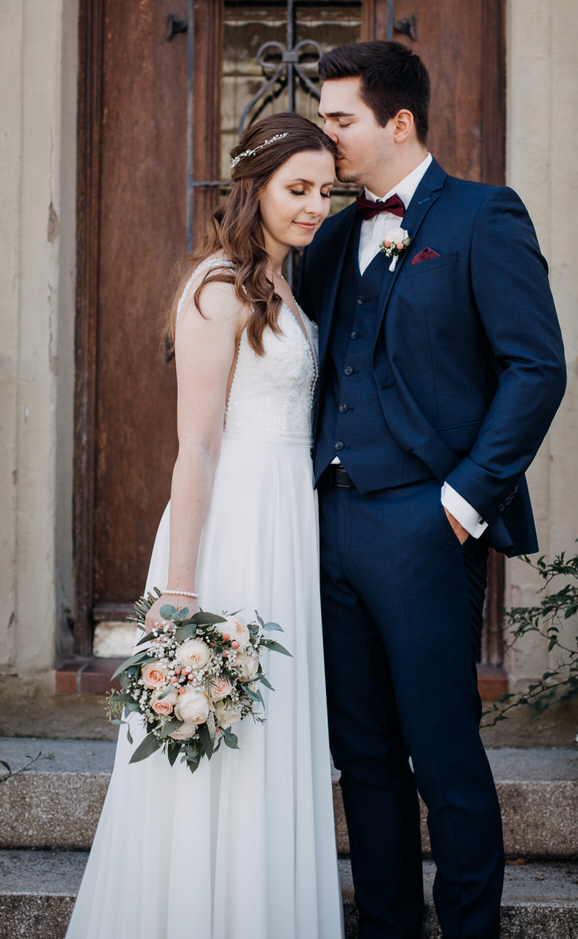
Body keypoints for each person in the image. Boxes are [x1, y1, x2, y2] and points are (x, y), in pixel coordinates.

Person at [297, 41, 567, 939]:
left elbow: (534, 369)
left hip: (426, 522)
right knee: (362, 754)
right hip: (329, 520)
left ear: (397, 121)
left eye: (339, 120)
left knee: (443, 755)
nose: (325, 136)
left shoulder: (485, 217)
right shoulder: (333, 236)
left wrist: (459, 504)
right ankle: (384, 927)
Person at [66, 112, 344, 939]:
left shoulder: (288, 283)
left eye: (324, 191)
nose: (313, 207)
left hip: (290, 520)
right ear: (252, 188)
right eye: (297, 189)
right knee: (225, 730)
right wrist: (179, 589)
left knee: (273, 730)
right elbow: (195, 444)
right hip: (234, 527)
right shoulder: (215, 287)